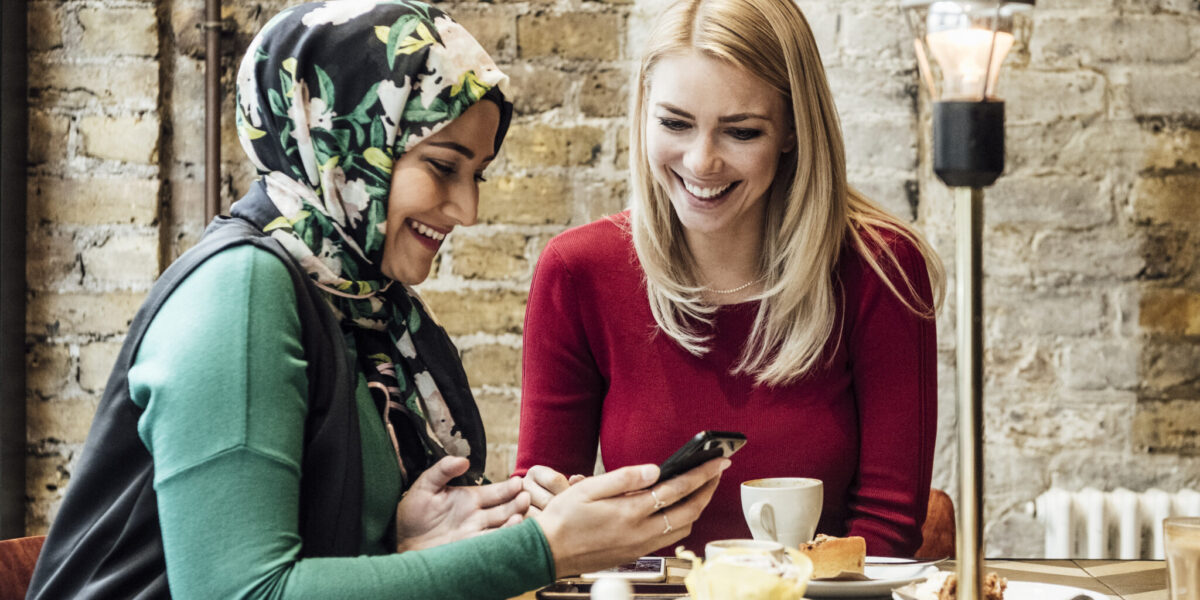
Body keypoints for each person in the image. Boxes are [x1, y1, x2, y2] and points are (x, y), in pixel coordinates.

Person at [26, 2, 726, 598]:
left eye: (476, 173)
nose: (467, 210)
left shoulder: (363, 303)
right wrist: (542, 548)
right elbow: (242, 592)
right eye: (442, 167)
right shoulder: (240, 293)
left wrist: (406, 543)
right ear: (344, 144)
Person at [515, 0, 946, 557]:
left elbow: (885, 533)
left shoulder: (880, 268)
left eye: (741, 132)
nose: (701, 163)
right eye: (674, 123)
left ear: (793, 129)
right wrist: (551, 514)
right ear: (643, 112)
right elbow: (542, 522)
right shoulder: (578, 271)